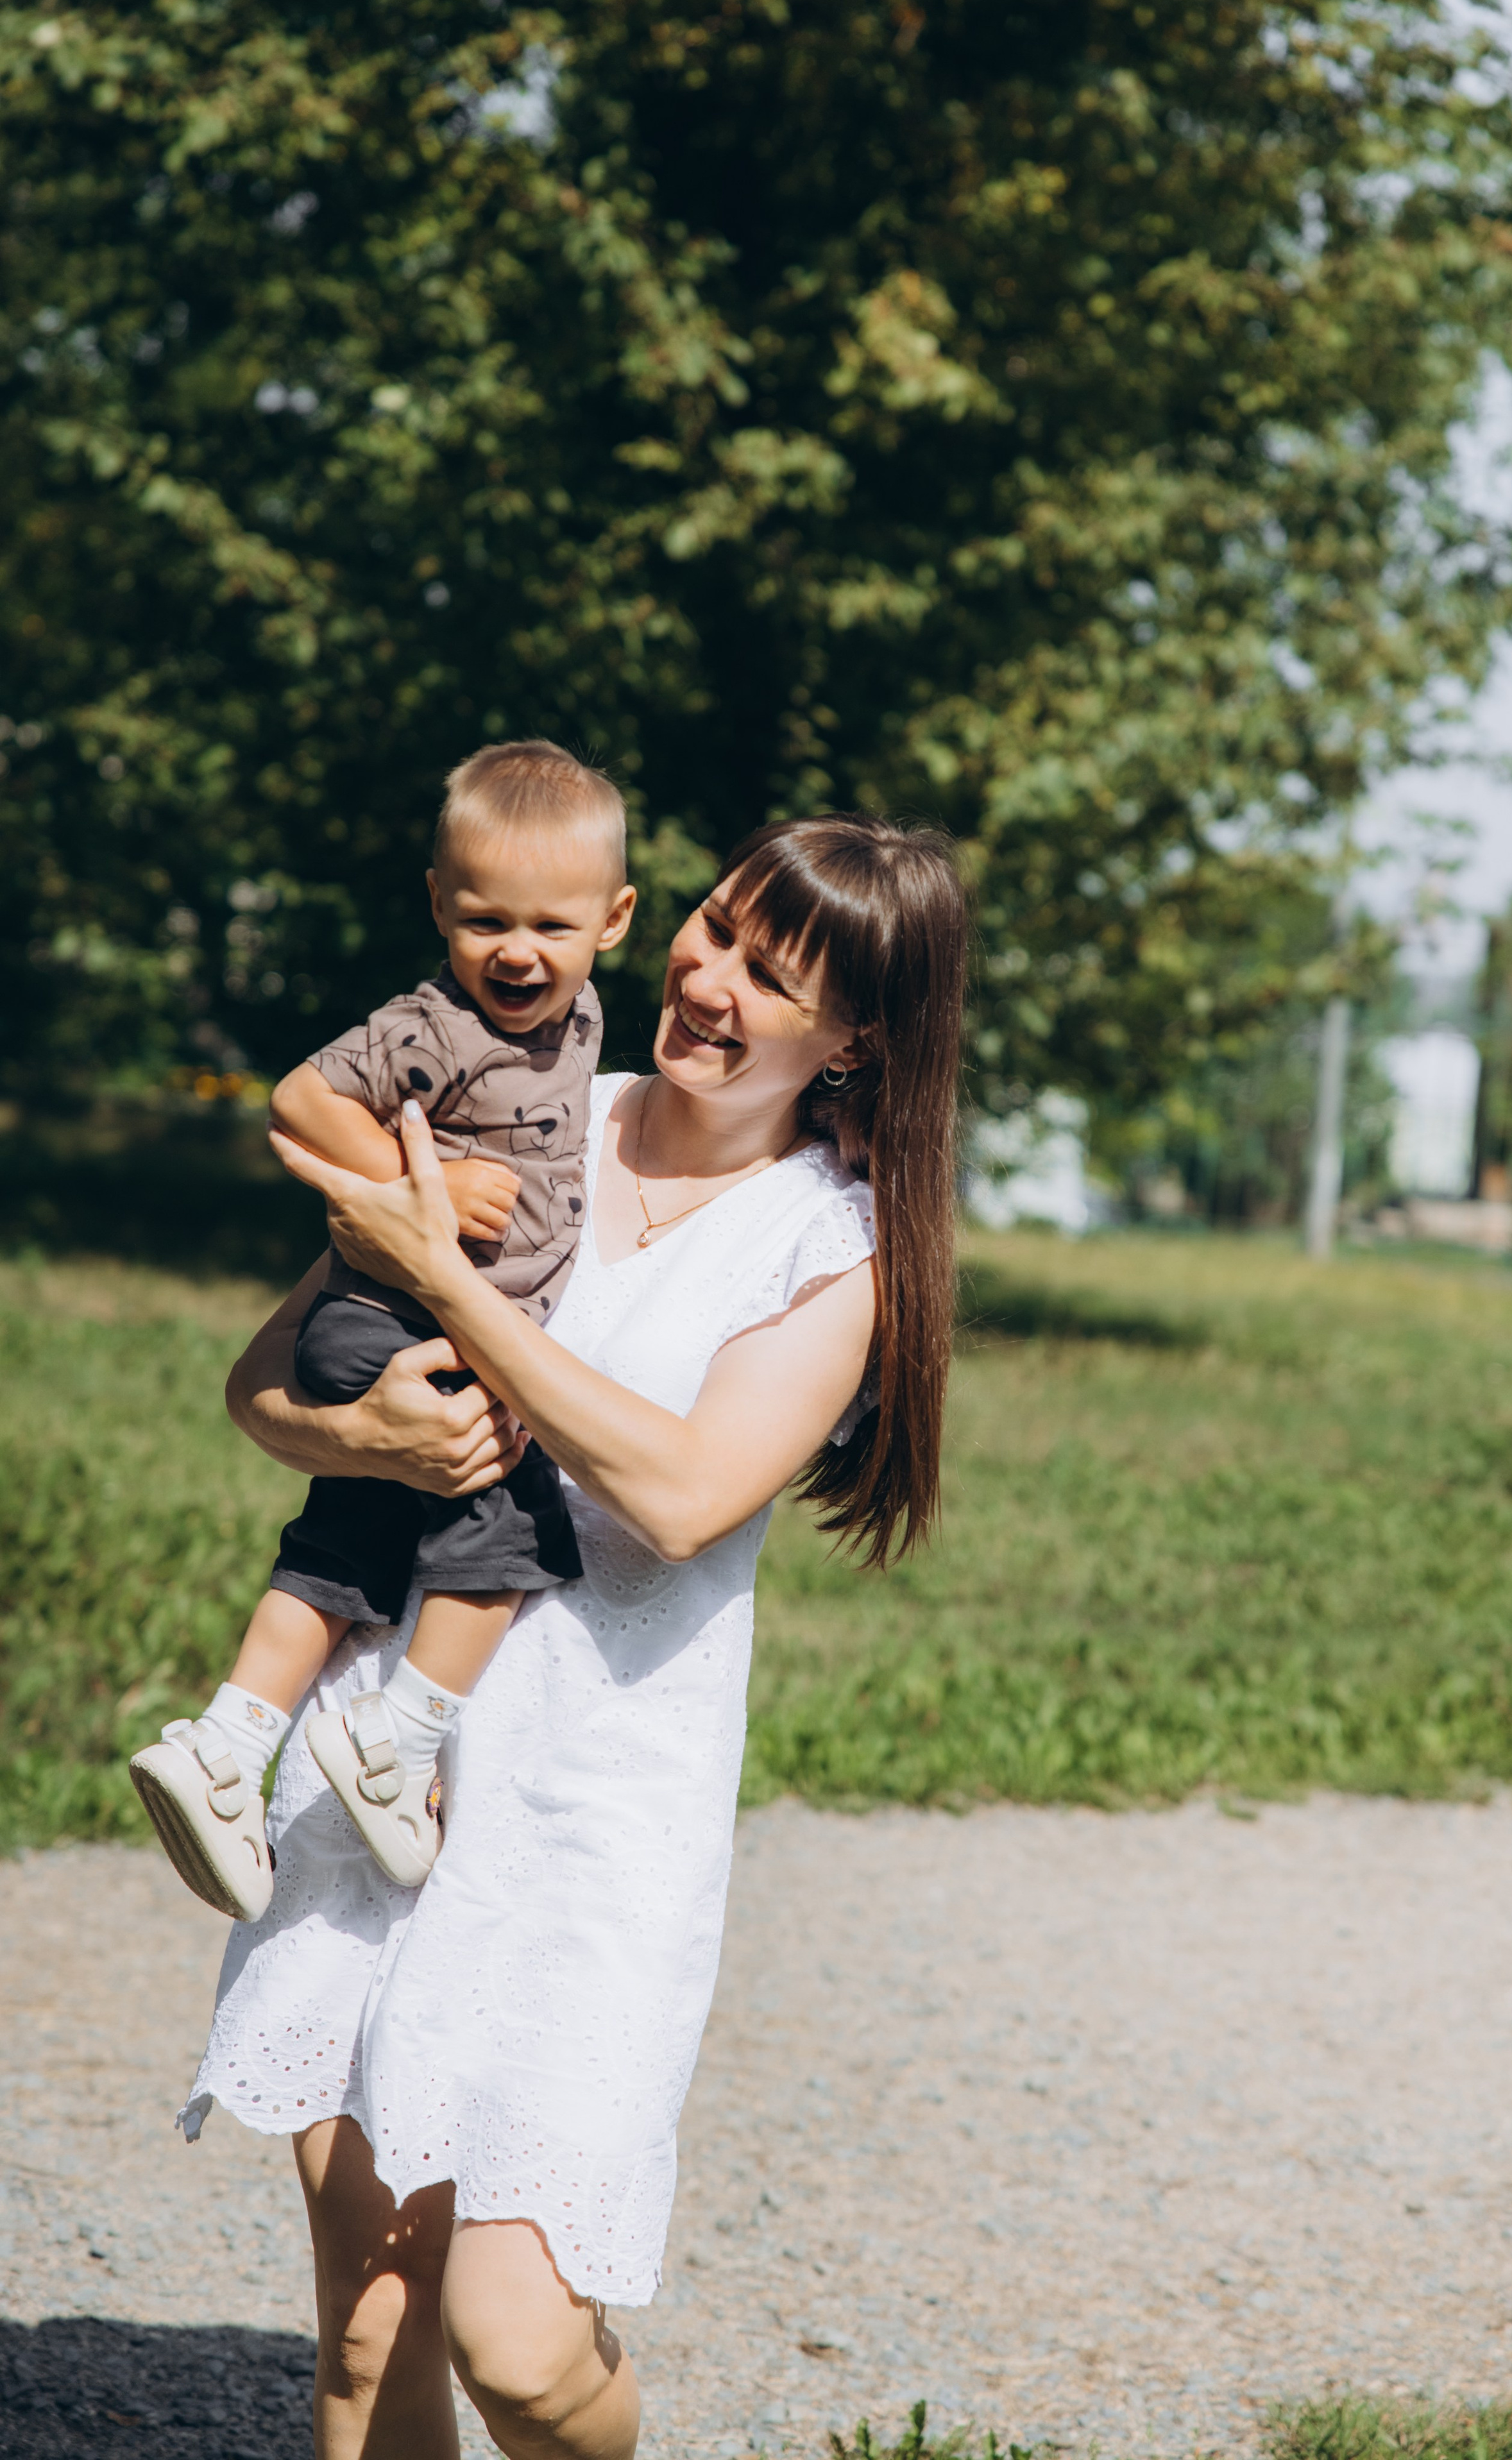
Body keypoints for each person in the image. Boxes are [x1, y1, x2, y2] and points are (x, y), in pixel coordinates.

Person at [183, 813, 967, 2460]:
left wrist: (451, 1293)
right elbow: (261, 1390)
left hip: (590, 1811)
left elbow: (679, 1494)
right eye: (709, 930)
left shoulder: (834, 1248)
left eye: (772, 974)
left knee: (521, 2350)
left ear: (854, 1043)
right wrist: (371, 1438)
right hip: (384, 1752)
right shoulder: (519, 1104)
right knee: (363, 2345)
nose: (708, 980)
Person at [130, 740, 636, 1912]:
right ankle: (397, 1743)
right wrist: (430, 1190)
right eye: (483, 919)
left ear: (612, 922)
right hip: (387, 1323)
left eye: (552, 927)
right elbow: (302, 1103)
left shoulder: (586, 1019)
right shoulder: (435, 1026)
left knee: (345, 1543)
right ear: (436, 908)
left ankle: (224, 1745)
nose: (518, 951)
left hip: (413, 1336)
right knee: (515, 1533)